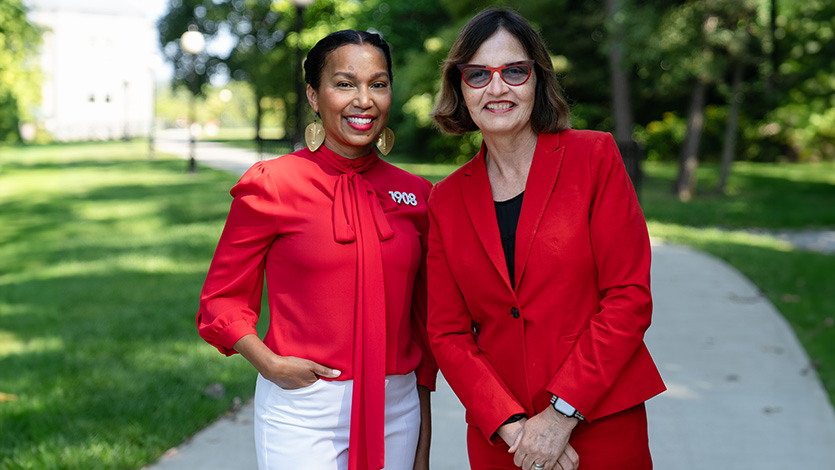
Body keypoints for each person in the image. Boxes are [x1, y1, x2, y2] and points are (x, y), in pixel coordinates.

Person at [427, 8, 666, 470]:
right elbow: (448, 333)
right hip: (503, 439)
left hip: (601, 422)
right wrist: (515, 429)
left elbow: (628, 297)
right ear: (459, 87)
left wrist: (559, 417)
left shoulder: (594, 157)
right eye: (478, 74)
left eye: (514, 71)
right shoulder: (445, 199)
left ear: (538, 78)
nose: (497, 88)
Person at [196, 30, 436, 470]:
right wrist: (269, 364)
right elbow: (220, 300)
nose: (363, 99)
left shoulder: (417, 195)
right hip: (302, 409)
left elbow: (424, 325)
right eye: (344, 84)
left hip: (396, 406)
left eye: (377, 84)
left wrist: (422, 435)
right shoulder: (272, 183)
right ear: (313, 94)